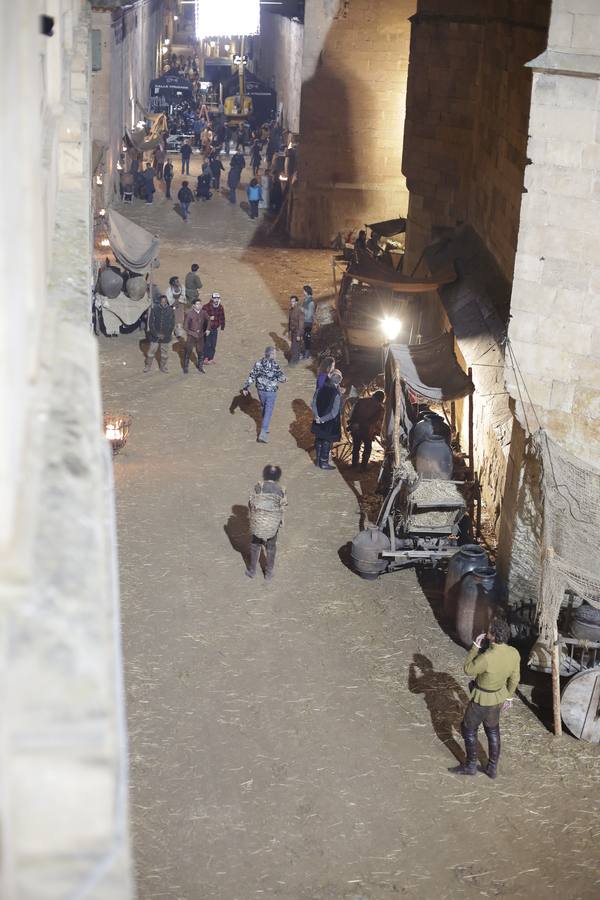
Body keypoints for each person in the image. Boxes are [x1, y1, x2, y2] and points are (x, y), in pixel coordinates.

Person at [450, 617, 520, 780]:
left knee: (468, 728)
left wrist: (475, 646)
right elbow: (515, 678)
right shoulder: (514, 653)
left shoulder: (487, 657)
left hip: (481, 700)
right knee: (493, 731)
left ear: (493, 636)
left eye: (489, 632)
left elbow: (468, 669)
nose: (487, 633)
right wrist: (509, 697)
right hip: (497, 700)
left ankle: (470, 765)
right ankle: (492, 768)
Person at [245, 465, 287, 581]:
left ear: (264, 475)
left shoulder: (259, 487)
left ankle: (252, 571)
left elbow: (251, 503)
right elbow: (283, 507)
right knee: (271, 546)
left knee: (255, 544)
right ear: (278, 477)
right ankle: (268, 573)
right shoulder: (281, 490)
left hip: (259, 522)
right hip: (272, 524)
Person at [242, 346, 287, 443]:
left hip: (260, 390)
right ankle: (263, 432)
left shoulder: (258, 363)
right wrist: (285, 379)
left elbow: (252, 375)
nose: (275, 355)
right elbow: (281, 378)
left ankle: (265, 426)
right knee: (268, 410)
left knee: (264, 407)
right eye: (274, 353)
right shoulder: (275, 365)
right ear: (270, 354)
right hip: (271, 392)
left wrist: (246, 387)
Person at [311, 370, 343, 470]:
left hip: (318, 419)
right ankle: (323, 462)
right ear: (338, 381)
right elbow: (334, 413)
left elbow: (313, 403)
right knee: (326, 441)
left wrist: (317, 417)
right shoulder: (336, 394)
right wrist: (323, 419)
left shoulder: (320, 389)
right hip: (329, 423)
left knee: (319, 439)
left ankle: (317, 460)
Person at [349, 390, 385, 470]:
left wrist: (354, 423)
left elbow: (353, 413)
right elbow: (375, 421)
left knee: (356, 447)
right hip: (367, 430)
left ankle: (354, 464)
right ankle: (363, 467)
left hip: (356, 427)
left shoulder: (361, 401)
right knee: (367, 448)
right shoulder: (380, 408)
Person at [144, 295, 174, 373]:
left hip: (166, 336)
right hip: (155, 335)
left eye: (165, 301)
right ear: (160, 302)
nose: (163, 303)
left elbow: (172, 324)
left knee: (164, 354)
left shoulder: (170, 310)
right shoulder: (155, 309)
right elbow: (151, 323)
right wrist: (156, 334)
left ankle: (163, 367)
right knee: (151, 352)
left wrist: (166, 334)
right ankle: (148, 366)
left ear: (167, 301)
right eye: (162, 301)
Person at [183, 299, 209, 374]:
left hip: (200, 336)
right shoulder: (189, 314)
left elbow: (209, 320)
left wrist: (207, 329)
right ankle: (185, 367)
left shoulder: (203, 312)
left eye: (200, 304)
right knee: (188, 351)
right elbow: (185, 327)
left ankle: (200, 367)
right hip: (191, 336)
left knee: (200, 352)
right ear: (194, 305)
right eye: (197, 304)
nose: (199, 305)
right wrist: (192, 333)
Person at [202, 292, 225, 364]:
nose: (216, 300)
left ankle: (211, 358)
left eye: (217, 298)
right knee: (206, 343)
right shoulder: (206, 307)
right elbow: (202, 317)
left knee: (213, 344)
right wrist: (209, 318)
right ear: (212, 298)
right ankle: (205, 358)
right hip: (207, 328)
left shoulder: (220, 307)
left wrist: (222, 325)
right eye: (215, 298)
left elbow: (222, 316)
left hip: (215, 328)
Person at [287, 295, 304, 366]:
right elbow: (290, 321)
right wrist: (289, 330)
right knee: (294, 346)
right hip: (293, 331)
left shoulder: (299, 310)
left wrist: (299, 334)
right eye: (291, 301)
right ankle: (294, 360)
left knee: (295, 347)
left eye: (293, 301)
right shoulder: (291, 310)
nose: (292, 303)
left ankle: (294, 362)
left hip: (297, 331)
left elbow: (301, 323)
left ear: (296, 302)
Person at [301, 285, 315, 359]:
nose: (303, 292)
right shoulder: (306, 300)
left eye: (303, 291)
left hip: (308, 322)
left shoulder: (311, 302)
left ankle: (307, 353)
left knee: (307, 338)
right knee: (304, 337)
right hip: (304, 321)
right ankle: (305, 352)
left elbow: (309, 314)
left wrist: (302, 310)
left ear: (306, 292)